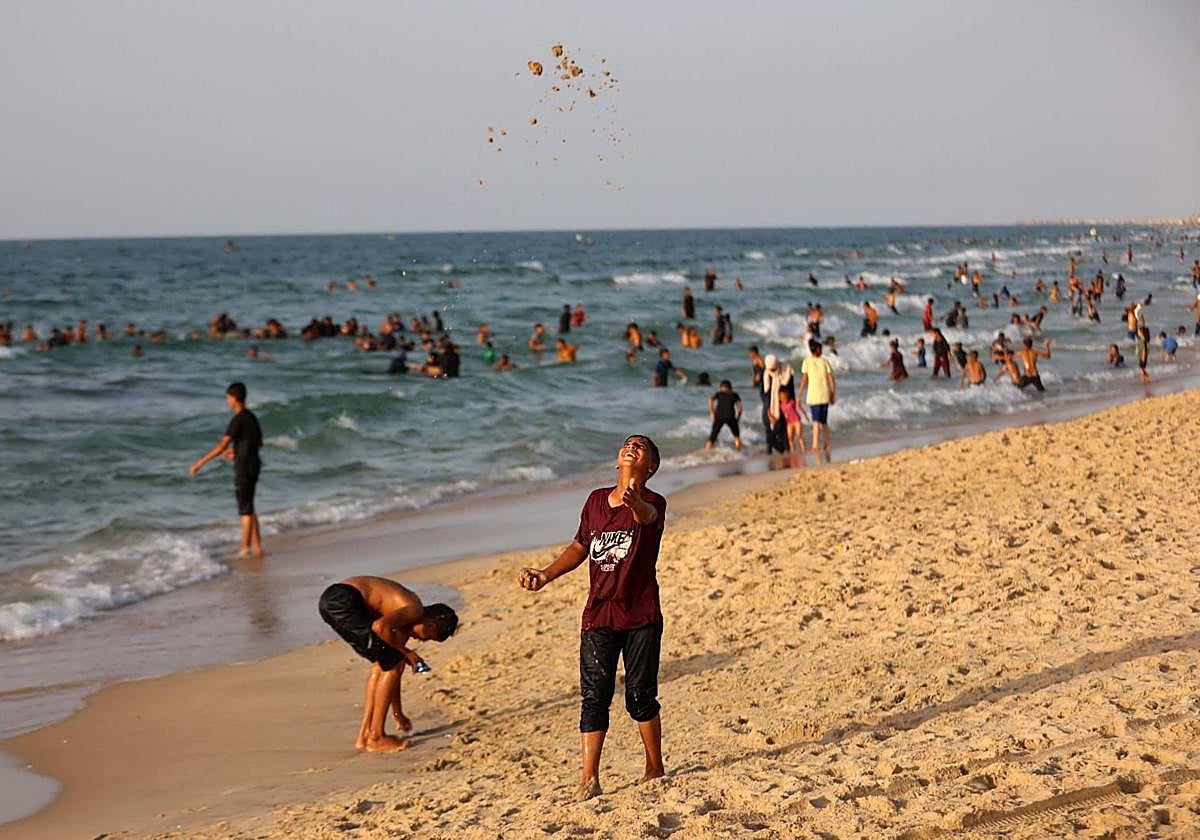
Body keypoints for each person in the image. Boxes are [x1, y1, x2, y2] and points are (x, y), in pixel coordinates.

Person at [517, 435, 667, 802]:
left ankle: (654, 767)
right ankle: (589, 779)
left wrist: (635, 505)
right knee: (594, 696)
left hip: (641, 613)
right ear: (618, 461)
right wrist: (546, 575)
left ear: (650, 467)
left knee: (639, 696)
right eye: (627, 444)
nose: (632, 447)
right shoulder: (596, 501)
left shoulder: (653, 503)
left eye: (641, 447)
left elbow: (647, 518)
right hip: (598, 613)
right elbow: (580, 546)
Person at [318, 576, 458, 751]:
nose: (421, 641)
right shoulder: (414, 609)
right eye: (427, 637)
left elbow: (391, 669)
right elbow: (379, 627)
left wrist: (398, 713)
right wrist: (408, 652)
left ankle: (365, 735)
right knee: (393, 661)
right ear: (430, 624)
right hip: (344, 599)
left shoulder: (402, 621)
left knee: (385, 663)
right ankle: (376, 737)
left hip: (334, 599)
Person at [188, 382, 264, 558]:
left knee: (244, 510)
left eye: (228, 398)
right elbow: (258, 443)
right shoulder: (252, 417)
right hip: (254, 464)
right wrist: (237, 453)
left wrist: (200, 462)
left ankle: (245, 549)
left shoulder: (237, 419)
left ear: (234, 398)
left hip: (244, 467)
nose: (227, 401)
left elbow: (222, 445)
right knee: (250, 505)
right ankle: (257, 545)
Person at [798, 340, 835, 458]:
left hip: (814, 396)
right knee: (824, 422)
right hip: (824, 395)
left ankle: (815, 445)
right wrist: (833, 393)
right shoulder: (825, 362)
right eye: (821, 348)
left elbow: (804, 379)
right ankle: (827, 443)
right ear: (818, 350)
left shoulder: (807, 362)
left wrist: (799, 394)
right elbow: (831, 380)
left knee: (816, 422)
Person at [761, 354, 795, 454]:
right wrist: (767, 407)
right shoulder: (766, 374)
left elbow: (791, 390)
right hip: (769, 404)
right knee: (768, 425)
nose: (770, 371)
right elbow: (764, 392)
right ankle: (769, 449)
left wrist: (790, 404)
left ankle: (786, 449)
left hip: (784, 404)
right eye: (769, 369)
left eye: (772, 369)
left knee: (783, 427)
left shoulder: (786, 371)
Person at [706, 380, 742, 451]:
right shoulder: (734, 395)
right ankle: (738, 453)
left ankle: (706, 452)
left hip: (719, 417)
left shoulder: (719, 394)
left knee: (712, 437)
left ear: (721, 387)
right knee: (736, 436)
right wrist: (738, 418)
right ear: (730, 388)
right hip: (730, 417)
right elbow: (740, 408)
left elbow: (710, 399)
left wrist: (712, 412)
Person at [779, 390, 808, 462]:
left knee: (799, 435)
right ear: (780, 398)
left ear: (787, 397)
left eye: (785, 398)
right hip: (789, 423)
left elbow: (799, 407)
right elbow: (774, 411)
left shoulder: (792, 402)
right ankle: (793, 452)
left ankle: (804, 450)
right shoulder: (780, 405)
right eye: (782, 398)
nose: (784, 399)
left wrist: (805, 415)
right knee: (790, 438)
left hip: (797, 421)